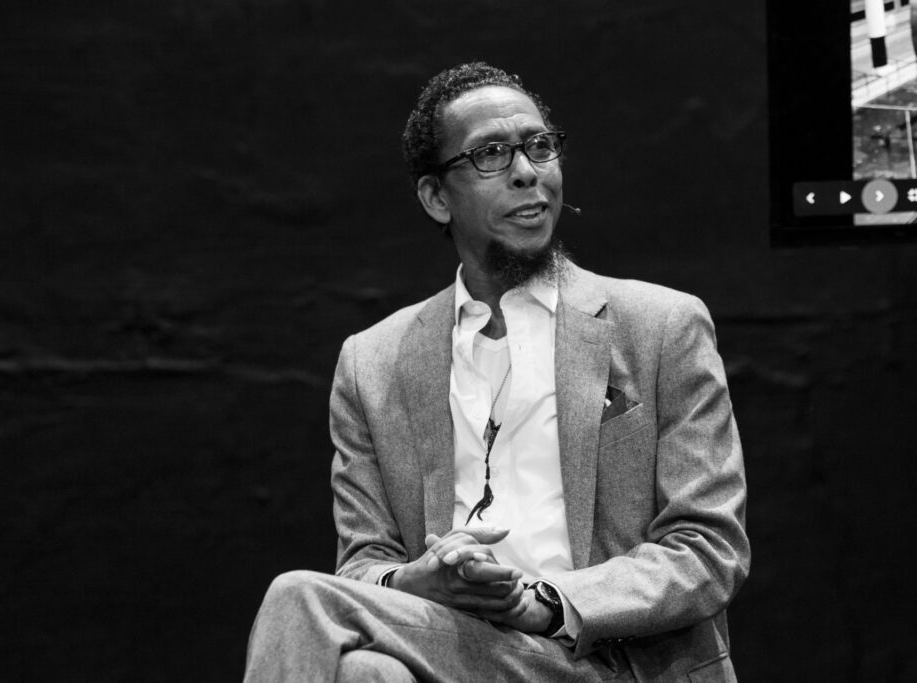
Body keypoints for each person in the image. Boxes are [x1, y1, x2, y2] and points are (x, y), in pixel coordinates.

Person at [244, 61, 749, 682]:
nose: (526, 172)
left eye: (540, 145)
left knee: (298, 598)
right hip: (460, 647)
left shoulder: (661, 326)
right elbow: (365, 563)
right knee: (369, 675)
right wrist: (415, 581)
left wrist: (546, 603)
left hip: (613, 660)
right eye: (490, 154)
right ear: (436, 197)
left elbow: (707, 550)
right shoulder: (372, 362)